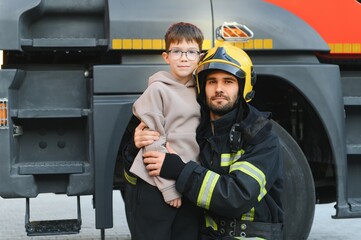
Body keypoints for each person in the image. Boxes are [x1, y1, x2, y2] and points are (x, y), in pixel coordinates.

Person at [132, 44, 284, 239]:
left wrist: (180, 170)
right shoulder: (197, 132)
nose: (219, 89)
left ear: (243, 86)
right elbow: (141, 183)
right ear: (201, 87)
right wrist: (135, 150)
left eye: (228, 81)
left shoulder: (261, 137)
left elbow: (237, 197)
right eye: (212, 81)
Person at [121, 22, 204, 240]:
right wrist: (169, 189)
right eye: (177, 51)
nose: (184, 57)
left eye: (190, 52)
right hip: (157, 186)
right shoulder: (157, 90)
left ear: (200, 56)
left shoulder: (201, 91)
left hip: (187, 181)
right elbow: (153, 142)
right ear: (166, 56)